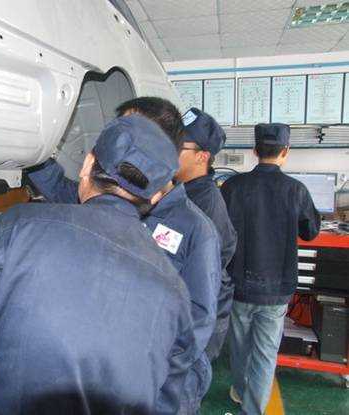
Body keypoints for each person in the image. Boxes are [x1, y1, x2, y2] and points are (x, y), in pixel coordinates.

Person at [0, 115, 196, 415]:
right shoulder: (174, 290)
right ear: (156, 196)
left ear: (87, 165)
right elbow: (169, 398)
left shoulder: (18, 228)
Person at [27, 97, 222, 415]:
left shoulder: (197, 230)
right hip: (98, 378)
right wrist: (32, 152)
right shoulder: (102, 198)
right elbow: (61, 188)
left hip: (162, 390)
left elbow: (196, 323)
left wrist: (149, 381)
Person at [221, 123, 321, 415]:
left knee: (239, 345)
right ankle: (253, 409)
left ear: (255, 151)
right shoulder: (295, 189)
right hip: (276, 288)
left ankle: (239, 390)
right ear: (285, 152)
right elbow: (311, 232)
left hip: (239, 283)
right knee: (265, 353)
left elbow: (220, 231)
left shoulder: (232, 187)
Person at [176, 108, 237, 361]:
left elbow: (211, 265)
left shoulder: (204, 203)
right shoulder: (183, 191)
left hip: (199, 321)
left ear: (202, 157)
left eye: (178, 146)